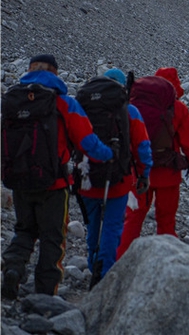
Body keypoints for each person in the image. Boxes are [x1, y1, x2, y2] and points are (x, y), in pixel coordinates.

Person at [1, 55, 115, 299]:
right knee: (53, 237)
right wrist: (109, 154)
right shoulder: (63, 102)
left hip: (19, 180)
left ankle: (13, 268)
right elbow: (88, 142)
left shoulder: (13, 99)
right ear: (55, 72)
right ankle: (45, 293)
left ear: (29, 70)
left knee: (24, 230)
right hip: (54, 183)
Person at [76, 68, 153, 286]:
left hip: (87, 177)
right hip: (117, 178)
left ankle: (92, 263)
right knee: (112, 227)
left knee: (92, 225)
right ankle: (104, 273)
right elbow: (142, 146)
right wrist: (144, 173)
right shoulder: (129, 110)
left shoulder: (83, 106)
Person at [117, 67, 189, 259]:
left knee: (133, 219)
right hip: (168, 175)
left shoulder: (134, 105)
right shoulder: (178, 108)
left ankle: (119, 262)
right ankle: (165, 263)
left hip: (138, 172)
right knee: (166, 222)